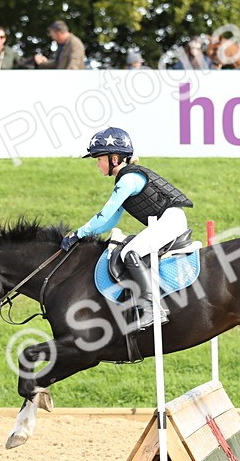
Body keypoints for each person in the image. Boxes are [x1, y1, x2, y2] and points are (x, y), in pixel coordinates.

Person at [60, 127, 193, 333]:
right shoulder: (126, 179)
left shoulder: (128, 180)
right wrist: (83, 234)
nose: (97, 164)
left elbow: (103, 215)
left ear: (115, 158)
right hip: (169, 220)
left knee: (129, 252)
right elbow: (109, 222)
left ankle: (152, 308)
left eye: (99, 159)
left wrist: (78, 233)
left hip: (170, 221)